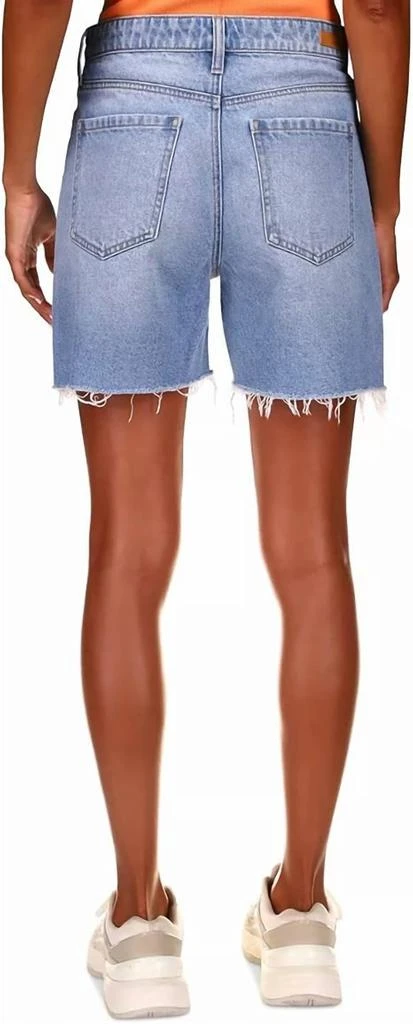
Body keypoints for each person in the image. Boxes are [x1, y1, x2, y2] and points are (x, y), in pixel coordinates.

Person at [3, 0, 409, 1016]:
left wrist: (16, 175)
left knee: (125, 553)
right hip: (306, 108)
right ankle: (301, 912)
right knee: (313, 555)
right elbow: (373, 4)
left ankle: (139, 925)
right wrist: (382, 200)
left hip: (132, 111)